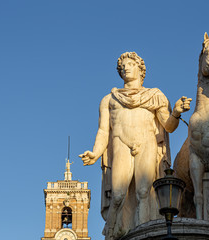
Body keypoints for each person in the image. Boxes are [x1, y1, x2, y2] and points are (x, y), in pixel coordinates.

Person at [79, 52, 191, 239]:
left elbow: (169, 127)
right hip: (120, 144)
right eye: (122, 66)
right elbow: (103, 131)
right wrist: (96, 152)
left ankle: (143, 232)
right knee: (117, 194)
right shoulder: (109, 100)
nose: (125, 67)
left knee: (144, 192)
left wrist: (177, 112)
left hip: (146, 143)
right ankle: (112, 234)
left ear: (140, 69)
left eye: (130, 64)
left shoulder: (155, 95)